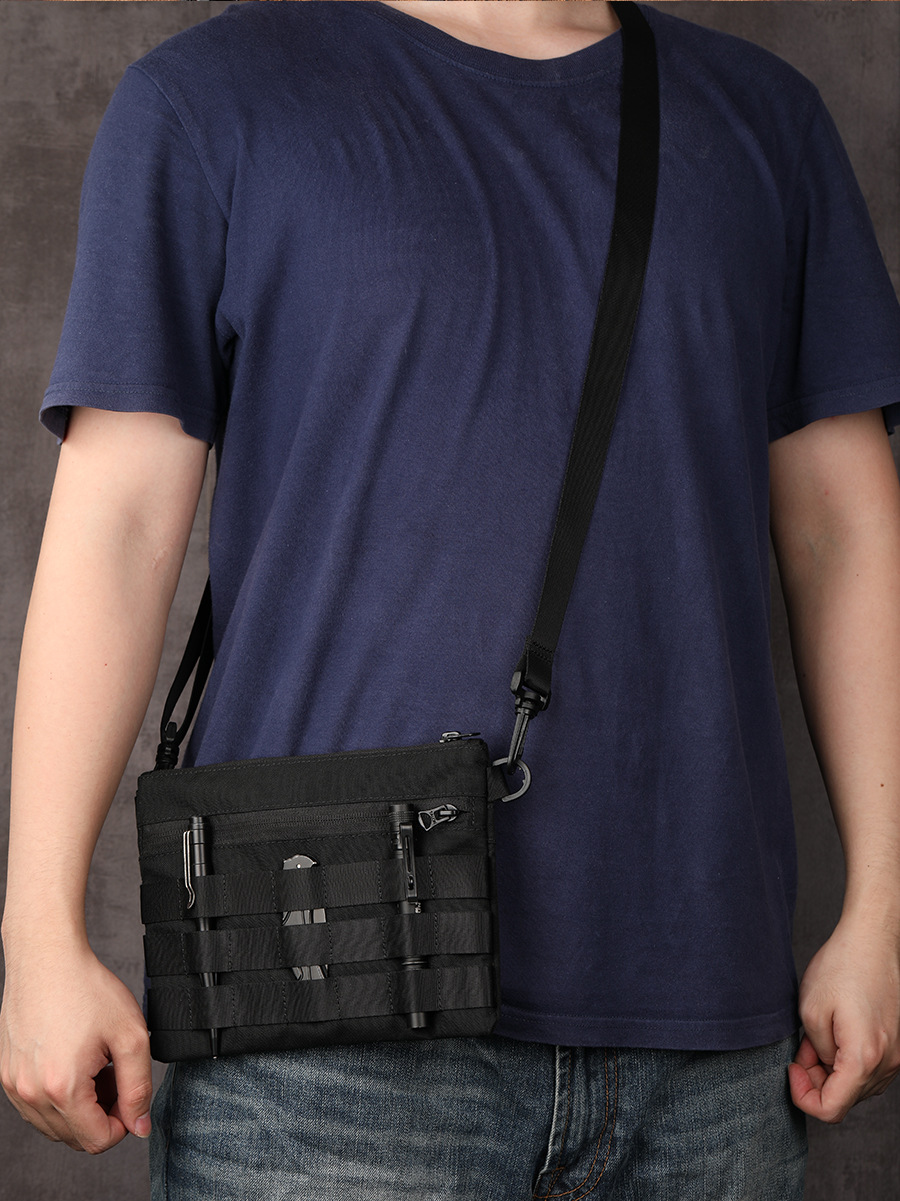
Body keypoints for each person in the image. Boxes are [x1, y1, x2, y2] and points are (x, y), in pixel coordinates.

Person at [2, 1, 900, 1197]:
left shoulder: (764, 122)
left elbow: (844, 533)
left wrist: (885, 907)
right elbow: (115, 532)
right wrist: (39, 932)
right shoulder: (211, 100)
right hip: (325, 1030)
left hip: (711, 1048)